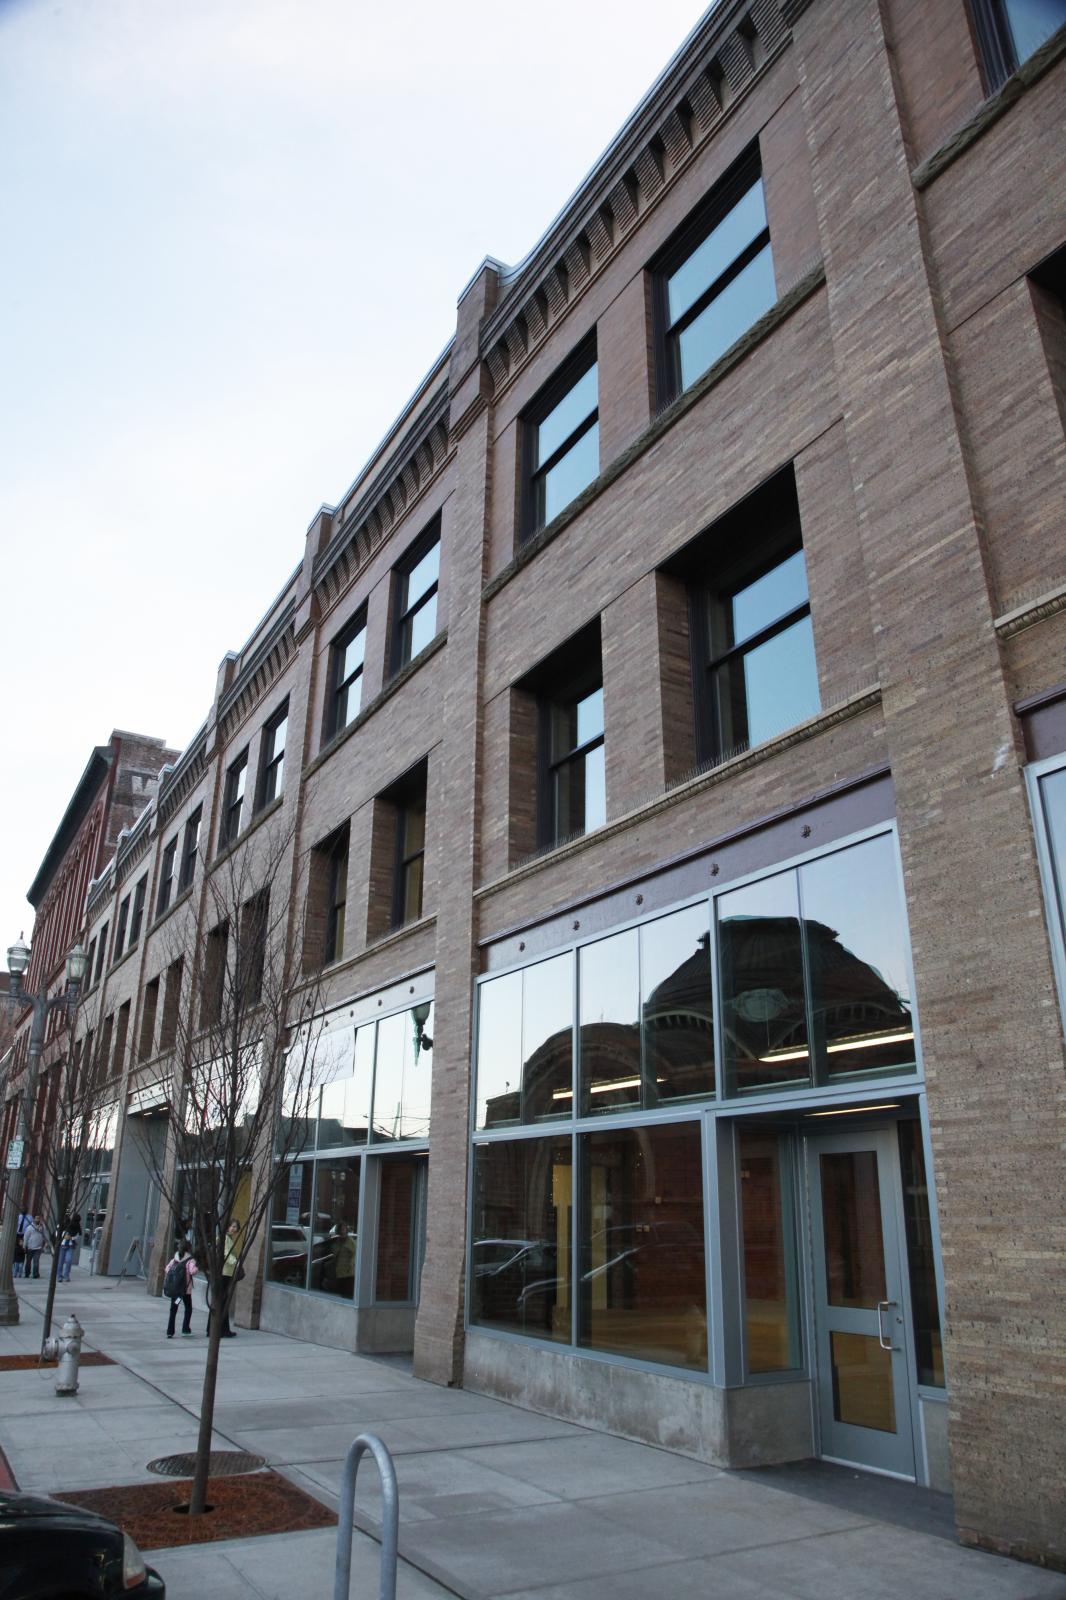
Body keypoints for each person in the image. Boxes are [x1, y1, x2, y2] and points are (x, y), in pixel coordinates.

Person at [164, 1240, 197, 1337]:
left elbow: (167, 1269)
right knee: (188, 1308)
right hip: (185, 1291)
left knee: (173, 1309)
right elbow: (192, 1271)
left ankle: (170, 1331)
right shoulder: (190, 1260)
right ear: (189, 1248)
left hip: (176, 1291)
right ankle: (185, 1329)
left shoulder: (174, 1259)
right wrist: (197, 1267)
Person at [219, 1219, 241, 1338]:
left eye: (236, 1227)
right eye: (232, 1226)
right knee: (222, 1301)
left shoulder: (229, 1238)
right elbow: (226, 1253)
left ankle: (222, 1329)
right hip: (224, 1272)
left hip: (227, 1271)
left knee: (222, 1301)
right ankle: (222, 1329)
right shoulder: (225, 1238)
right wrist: (235, 1262)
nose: (234, 1229)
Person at [330, 1219, 356, 1299]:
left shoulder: (350, 1241)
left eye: (344, 1228)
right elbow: (335, 1253)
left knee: (348, 1292)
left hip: (348, 1272)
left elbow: (354, 1254)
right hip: (339, 1271)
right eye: (341, 1228)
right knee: (341, 1292)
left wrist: (351, 1265)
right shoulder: (337, 1241)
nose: (343, 1230)